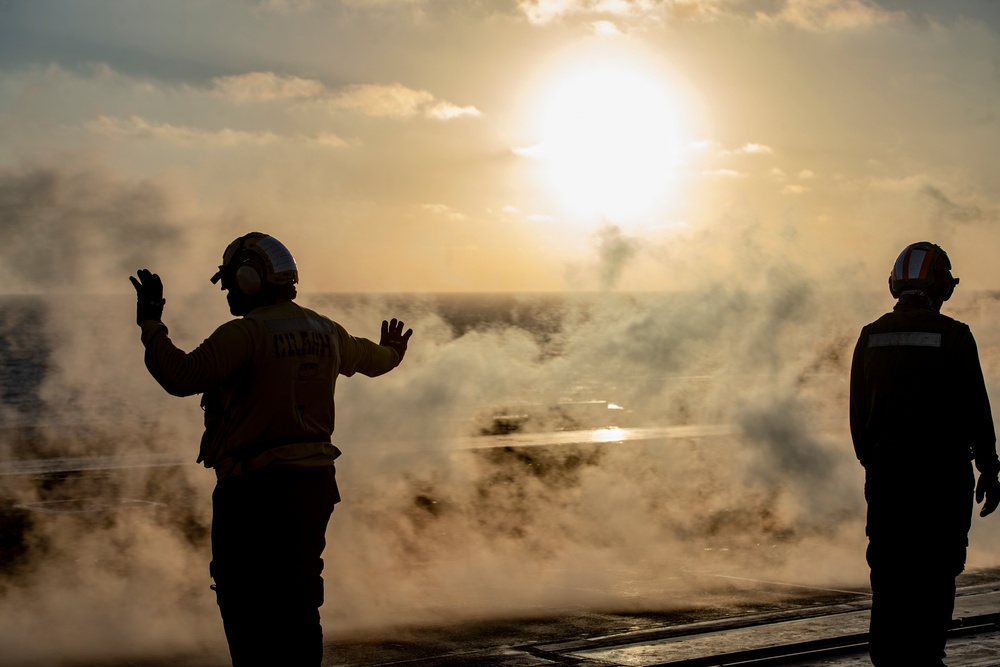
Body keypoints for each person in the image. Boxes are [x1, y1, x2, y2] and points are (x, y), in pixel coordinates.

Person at [129, 232, 412, 666]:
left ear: (250, 279)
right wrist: (393, 351)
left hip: (254, 487)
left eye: (229, 285)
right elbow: (373, 361)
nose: (227, 295)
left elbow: (180, 376)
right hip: (314, 485)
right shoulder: (326, 330)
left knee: (244, 600)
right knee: (299, 599)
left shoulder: (246, 334)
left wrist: (151, 323)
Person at [850, 241, 1000, 666]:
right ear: (942, 289)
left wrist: (878, 468)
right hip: (941, 484)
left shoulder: (869, 337)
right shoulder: (954, 336)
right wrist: (988, 469)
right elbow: (977, 411)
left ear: (895, 285)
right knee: (935, 578)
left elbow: (858, 420)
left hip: (887, 483)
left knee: (890, 576)